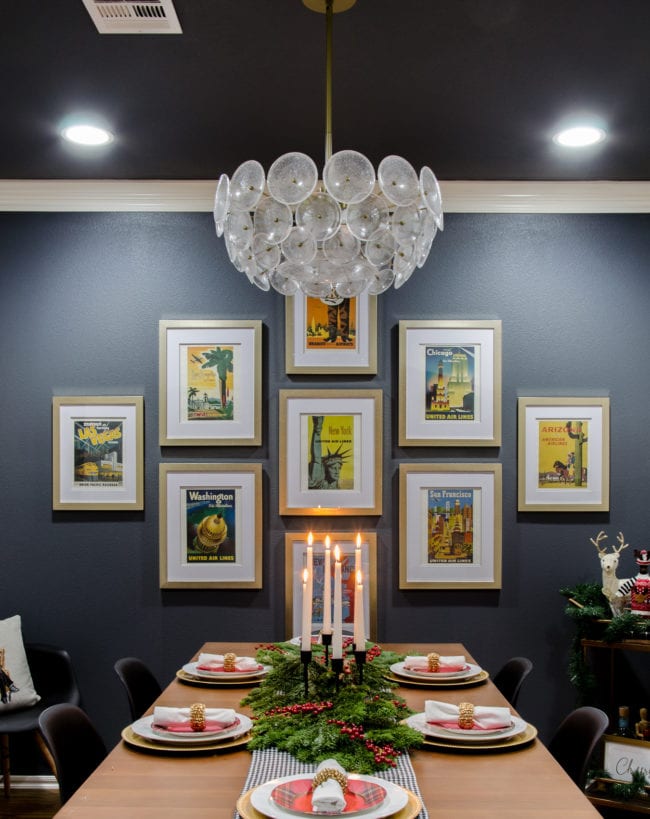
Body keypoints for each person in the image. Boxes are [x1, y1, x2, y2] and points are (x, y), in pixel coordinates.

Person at [308, 416, 349, 489]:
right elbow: (316, 457)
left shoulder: (335, 486)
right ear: (326, 469)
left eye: (338, 468)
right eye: (333, 468)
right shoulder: (319, 482)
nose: (337, 472)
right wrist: (317, 430)